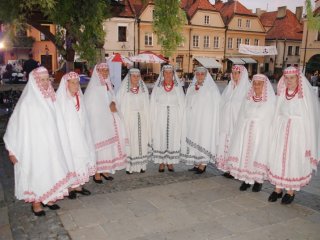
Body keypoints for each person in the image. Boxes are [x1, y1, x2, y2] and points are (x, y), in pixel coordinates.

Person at [3, 67, 75, 216]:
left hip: (51, 144)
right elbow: (14, 126)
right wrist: (12, 150)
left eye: (46, 79)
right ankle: (36, 202)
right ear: (35, 81)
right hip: (34, 147)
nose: (44, 83)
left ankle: (48, 198)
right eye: (41, 80)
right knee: (37, 172)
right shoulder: (27, 103)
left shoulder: (50, 99)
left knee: (51, 169)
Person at [267, 67, 320, 204]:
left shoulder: (304, 95)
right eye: (286, 78)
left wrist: (306, 136)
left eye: (292, 78)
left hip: (297, 133)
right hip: (282, 130)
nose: (289, 81)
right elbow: (277, 112)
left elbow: (310, 118)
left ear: (298, 78)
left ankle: (290, 190)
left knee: (293, 159)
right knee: (279, 158)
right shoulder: (283, 93)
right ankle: (277, 188)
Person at [224, 74, 276, 191]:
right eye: (255, 83)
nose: (256, 86)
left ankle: (258, 180)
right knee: (246, 155)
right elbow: (242, 116)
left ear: (264, 85)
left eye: (259, 83)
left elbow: (270, 121)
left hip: (261, 134)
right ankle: (246, 179)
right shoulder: (248, 99)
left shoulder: (270, 101)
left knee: (257, 155)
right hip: (247, 132)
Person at [84, 63, 127, 183]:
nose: (105, 72)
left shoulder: (108, 84)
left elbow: (112, 98)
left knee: (110, 147)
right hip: (99, 123)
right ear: (97, 72)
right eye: (102, 70)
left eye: (106, 70)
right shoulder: (94, 87)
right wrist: (106, 108)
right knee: (101, 147)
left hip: (110, 119)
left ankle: (105, 169)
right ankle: (97, 172)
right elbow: (92, 106)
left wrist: (113, 103)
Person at [56, 72, 96, 198]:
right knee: (70, 159)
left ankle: (78, 185)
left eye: (77, 82)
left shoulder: (79, 97)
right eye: (73, 83)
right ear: (66, 84)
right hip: (68, 136)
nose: (76, 85)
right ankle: (70, 187)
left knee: (79, 159)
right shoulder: (61, 99)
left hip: (81, 134)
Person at [181, 67, 221, 174]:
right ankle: (197, 162)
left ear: (206, 75)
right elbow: (187, 102)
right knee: (195, 139)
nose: (199, 76)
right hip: (193, 120)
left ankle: (203, 164)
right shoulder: (192, 88)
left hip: (205, 121)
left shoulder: (211, 89)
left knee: (203, 139)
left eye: (202, 74)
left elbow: (216, 106)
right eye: (197, 74)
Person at [216, 65, 251, 178]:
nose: (234, 75)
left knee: (235, 145)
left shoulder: (247, 89)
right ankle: (227, 168)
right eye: (233, 73)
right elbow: (222, 103)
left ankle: (235, 168)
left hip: (236, 124)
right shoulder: (229, 87)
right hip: (226, 123)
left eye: (237, 73)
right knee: (226, 145)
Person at [149, 65, 185, 172]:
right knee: (161, 137)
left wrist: (181, 118)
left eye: (170, 73)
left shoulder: (178, 88)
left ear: (173, 74)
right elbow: (153, 104)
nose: (168, 75)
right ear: (163, 74)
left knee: (172, 137)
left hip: (174, 117)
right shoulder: (158, 88)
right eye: (166, 73)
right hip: (160, 116)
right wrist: (153, 118)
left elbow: (182, 104)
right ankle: (161, 162)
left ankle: (170, 162)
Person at [117, 68, 150, 174]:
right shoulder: (124, 90)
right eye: (133, 76)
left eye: (137, 76)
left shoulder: (143, 90)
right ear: (129, 77)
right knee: (131, 142)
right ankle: (130, 167)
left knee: (141, 141)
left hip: (142, 119)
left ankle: (141, 165)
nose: (135, 78)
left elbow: (147, 105)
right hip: (129, 119)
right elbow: (119, 104)